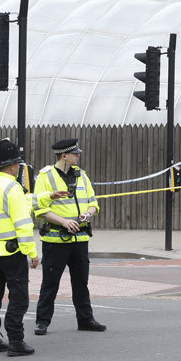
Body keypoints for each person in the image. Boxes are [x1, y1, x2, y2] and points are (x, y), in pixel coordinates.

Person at [33, 138, 106, 335]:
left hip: (80, 238)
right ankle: (42, 321)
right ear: (64, 155)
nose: (78, 155)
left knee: (81, 282)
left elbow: (93, 202)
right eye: (75, 153)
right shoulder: (45, 176)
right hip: (55, 239)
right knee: (50, 283)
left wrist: (88, 214)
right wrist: (64, 222)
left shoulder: (81, 175)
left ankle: (86, 320)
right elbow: (39, 208)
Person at [0, 139, 38, 357]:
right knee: (18, 298)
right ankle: (16, 341)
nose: (19, 168)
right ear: (12, 166)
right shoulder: (13, 188)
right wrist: (32, 252)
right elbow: (23, 224)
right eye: (18, 165)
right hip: (12, 253)